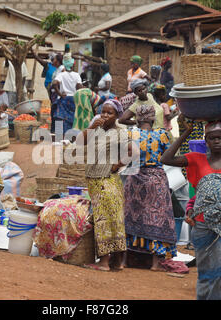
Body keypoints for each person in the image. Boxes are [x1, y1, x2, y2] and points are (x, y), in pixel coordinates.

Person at [160, 119, 221, 300]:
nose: (216, 141)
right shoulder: (195, 159)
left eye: (220, 137)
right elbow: (166, 159)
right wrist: (186, 133)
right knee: (206, 274)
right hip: (201, 225)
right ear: (206, 141)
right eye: (212, 138)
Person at [76, 99, 135, 271]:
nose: (105, 115)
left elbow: (133, 151)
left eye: (110, 113)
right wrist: (93, 126)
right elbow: (79, 142)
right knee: (111, 220)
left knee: (105, 220)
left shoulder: (120, 131)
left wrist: (118, 165)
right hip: (95, 179)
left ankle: (104, 263)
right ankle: (116, 262)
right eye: (103, 111)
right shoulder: (96, 130)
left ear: (117, 116)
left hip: (106, 180)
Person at [124, 104, 182, 272]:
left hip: (135, 179)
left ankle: (125, 260)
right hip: (156, 180)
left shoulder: (130, 134)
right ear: (152, 117)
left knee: (131, 217)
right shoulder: (162, 135)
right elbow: (168, 156)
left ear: (138, 118)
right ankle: (155, 263)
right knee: (156, 218)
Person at [51, 53, 83, 134]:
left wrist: (60, 94)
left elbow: (54, 83)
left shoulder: (61, 75)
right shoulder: (77, 75)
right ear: (72, 65)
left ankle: (58, 139)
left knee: (59, 118)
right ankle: (70, 140)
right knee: (72, 120)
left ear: (64, 65)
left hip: (63, 99)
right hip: (73, 100)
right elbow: (79, 87)